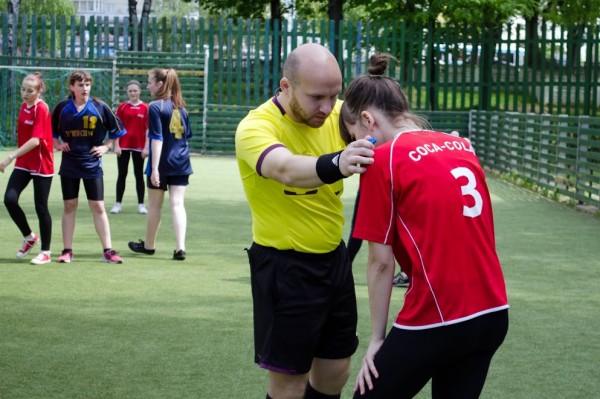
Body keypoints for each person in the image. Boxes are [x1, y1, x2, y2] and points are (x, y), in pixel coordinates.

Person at [340, 53, 509, 399]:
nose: (355, 148)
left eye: (353, 136)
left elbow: (380, 263)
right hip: (492, 313)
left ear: (368, 120)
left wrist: (376, 340)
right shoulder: (462, 145)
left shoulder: (383, 159)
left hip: (440, 314)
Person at [235, 43, 376, 399]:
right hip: (285, 269)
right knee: (289, 383)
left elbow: (388, 129)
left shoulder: (338, 115)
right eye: (316, 97)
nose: (328, 108)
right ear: (286, 86)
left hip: (334, 261)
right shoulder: (256, 127)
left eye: (334, 95)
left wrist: (435, 143)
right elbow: (285, 169)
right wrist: (337, 163)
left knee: (335, 371)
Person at [52, 70, 126, 264]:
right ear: (72, 87)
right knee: (69, 206)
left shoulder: (100, 107)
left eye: (87, 85)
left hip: (92, 163)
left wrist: (106, 146)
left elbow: (116, 130)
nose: (84, 88)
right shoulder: (62, 108)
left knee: (98, 206)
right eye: (80, 85)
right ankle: (67, 250)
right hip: (69, 163)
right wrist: (56, 144)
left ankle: (108, 251)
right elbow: (51, 130)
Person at [128, 68, 192, 261]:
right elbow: (186, 137)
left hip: (162, 162)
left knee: (155, 206)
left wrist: (154, 168)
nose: (147, 86)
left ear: (160, 84)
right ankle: (180, 248)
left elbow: (157, 138)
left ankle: (149, 246)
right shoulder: (182, 108)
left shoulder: (155, 106)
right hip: (181, 161)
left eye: (149, 82)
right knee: (178, 204)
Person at [0, 73, 54, 265]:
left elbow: (35, 140)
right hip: (24, 163)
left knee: (41, 207)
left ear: (39, 91)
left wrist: (9, 158)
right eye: (23, 89)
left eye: (30, 90)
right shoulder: (24, 106)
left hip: (41, 163)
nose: (25, 93)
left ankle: (45, 252)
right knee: (9, 199)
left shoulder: (43, 108)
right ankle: (29, 236)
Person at [347, 190, 409, 287]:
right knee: (401, 226)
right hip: (398, 183)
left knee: (358, 227)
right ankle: (406, 273)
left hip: (376, 184)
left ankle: (344, 268)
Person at [111, 80, 149, 215]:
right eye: (130, 91)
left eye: (135, 90)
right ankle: (117, 204)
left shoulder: (146, 108)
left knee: (139, 175)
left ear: (139, 91)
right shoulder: (122, 107)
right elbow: (117, 127)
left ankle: (141, 204)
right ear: (127, 92)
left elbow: (147, 130)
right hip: (123, 146)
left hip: (139, 147)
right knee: (122, 174)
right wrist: (117, 145)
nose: (133, 93)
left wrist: (146, 147)